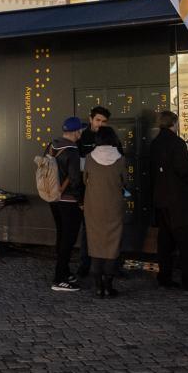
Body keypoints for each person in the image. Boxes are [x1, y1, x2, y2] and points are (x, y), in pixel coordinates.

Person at [150, 110, 188, 294]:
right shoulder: (177, 143)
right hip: (178, 201)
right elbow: (182, 170)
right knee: (186, 244)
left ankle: (164, 277)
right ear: (174, 123)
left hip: (161, 200)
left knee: (165, 242)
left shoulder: (155, 143)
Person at [83, 126, 128, 298]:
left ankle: (98, 286)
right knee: (112, 245)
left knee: (95, 244)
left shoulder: (89, 158)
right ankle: (109, 286)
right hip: (114, 206)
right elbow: (125, 181)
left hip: (93, 206)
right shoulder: (120, 159)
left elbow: (84, 179)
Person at [48, 116, 86, 292]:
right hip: (69, 201)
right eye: (81, 130)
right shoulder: (72, 151)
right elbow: (75, 180)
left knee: (61, 236)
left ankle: (65, 271)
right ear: (76, 131)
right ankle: (59, 278)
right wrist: (81, 201)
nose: (81, 134)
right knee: (68, 240)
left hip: (54, 198)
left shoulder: (52, 145)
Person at [75, 106, 112, 276]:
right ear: (90, 119)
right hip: (87, 190)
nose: (100, 124)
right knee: (87, 230)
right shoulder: (82, 137)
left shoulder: (109, 136)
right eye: (97, 120)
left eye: (104, 121)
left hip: (105, 191)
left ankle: (112, 266)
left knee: (110, 230)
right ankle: (84, 266)